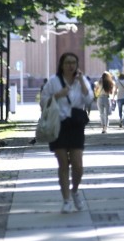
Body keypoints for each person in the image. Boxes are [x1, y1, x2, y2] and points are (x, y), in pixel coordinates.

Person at [40, 52, 94, 213]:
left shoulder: (81, 80)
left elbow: (89, 99)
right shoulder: (53, 81)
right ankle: (66, 200)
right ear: (62, 65)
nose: (71, 66)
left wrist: (82, 84)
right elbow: (43, 101)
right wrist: (57, 95)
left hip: (76, 124)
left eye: (73, 62)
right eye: (67, 63)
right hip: (58, 124)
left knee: (77, 164)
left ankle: (75, 190)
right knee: (63, 163)